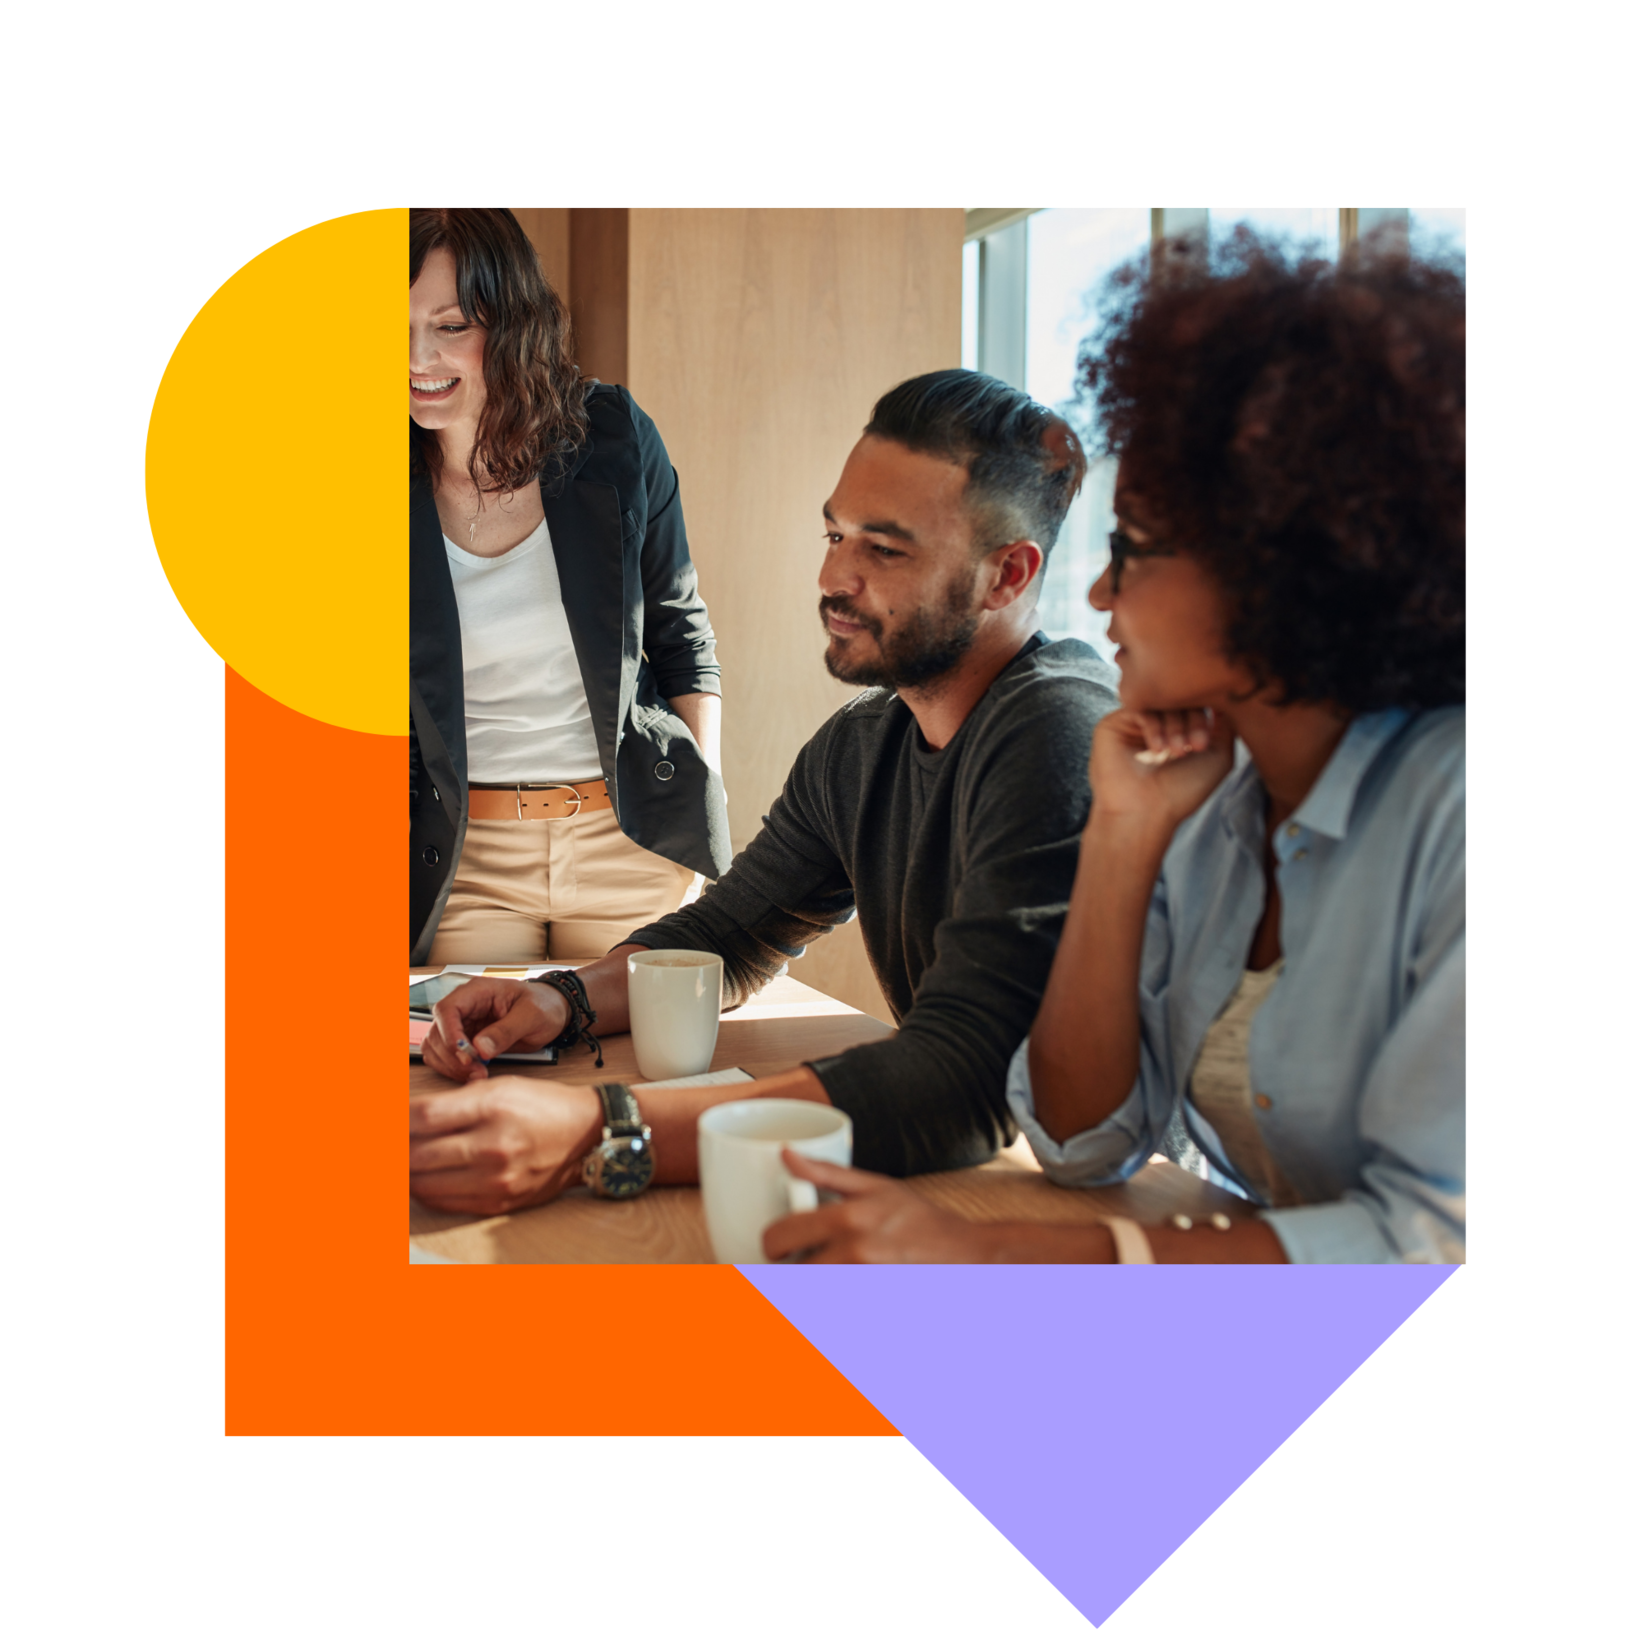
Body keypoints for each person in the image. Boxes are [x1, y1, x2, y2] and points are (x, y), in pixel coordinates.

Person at [758, 234, 1468, 1263]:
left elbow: (1429, 1242)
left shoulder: (1447, 811)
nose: (1096, 594)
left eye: (1131, 550)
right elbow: (1085, 1140)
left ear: (1284, 563)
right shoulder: (1209, 798)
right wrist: (1125, 841)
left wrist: (995, 1259)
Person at [410, 371, 1120, 1214]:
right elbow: (729, 932)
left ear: (1009, 575)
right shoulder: (862, 744)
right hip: (965, 1183)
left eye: (883, 550)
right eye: (834, 534)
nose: (834, 578)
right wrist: (556, 1001)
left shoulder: (1058, 731)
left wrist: (599, 1129)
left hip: (1097, 1211)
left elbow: (965, 1074)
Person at [411, 206, 730, 967]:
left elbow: (682, 636)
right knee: (470, 1071)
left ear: (514, 322)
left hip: (629, 841)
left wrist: (700, 803)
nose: (416, 357)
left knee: (639, 1072)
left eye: (451, 325)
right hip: (467, 858)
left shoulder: (611, 434)